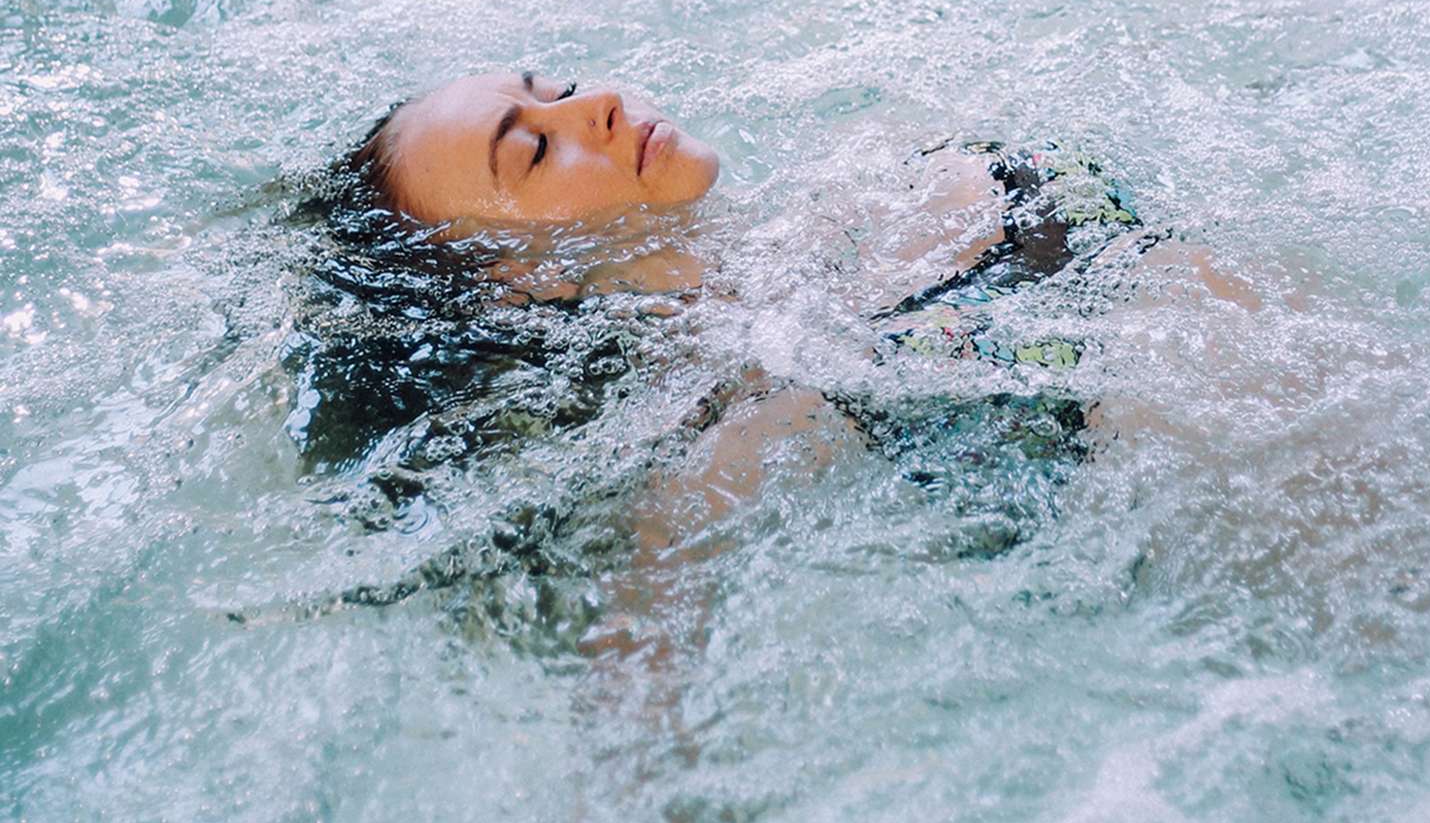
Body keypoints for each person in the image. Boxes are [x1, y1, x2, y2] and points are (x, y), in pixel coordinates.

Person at [322, 68, 1267, 661]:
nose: (598, 106)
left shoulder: (868, 160)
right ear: (516, 285)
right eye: (534, 148)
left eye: (558, 85)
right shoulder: (721, 455)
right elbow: (643, 780)